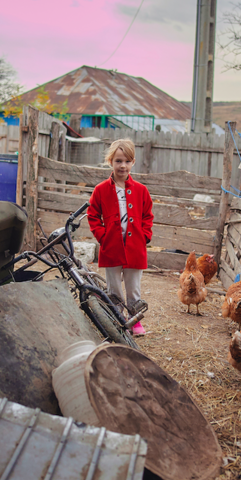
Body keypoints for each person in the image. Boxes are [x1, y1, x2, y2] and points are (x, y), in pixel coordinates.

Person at [87, 138, 153, 336]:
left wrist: (145, 236)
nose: (122, 165)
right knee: (114, 288)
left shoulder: (141, 190)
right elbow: (92, 215)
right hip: (111, 247)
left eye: (126, 161)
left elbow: (148, 215)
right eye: (118, 161)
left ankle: (135, 322)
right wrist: (102, 236)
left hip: (135, 247)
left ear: (132, 162)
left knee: (133, 289)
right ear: (111, 162)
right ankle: (117, 319)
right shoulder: (101, 190)